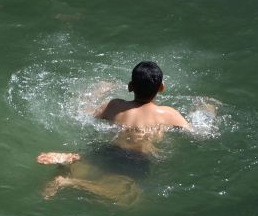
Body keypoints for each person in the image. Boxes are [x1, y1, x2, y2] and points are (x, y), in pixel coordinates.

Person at [37, 61, 201, 206]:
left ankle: (71, 161)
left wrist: (98, 92)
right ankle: (68, 182)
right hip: (136, 159)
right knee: (129, 198)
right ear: (161, 87)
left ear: (130, 87)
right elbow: (198, 134)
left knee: (95, 167)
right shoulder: (168, 114)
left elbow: (83, 116)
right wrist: (203, 111)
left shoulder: (114, 106)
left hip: (107, 149)